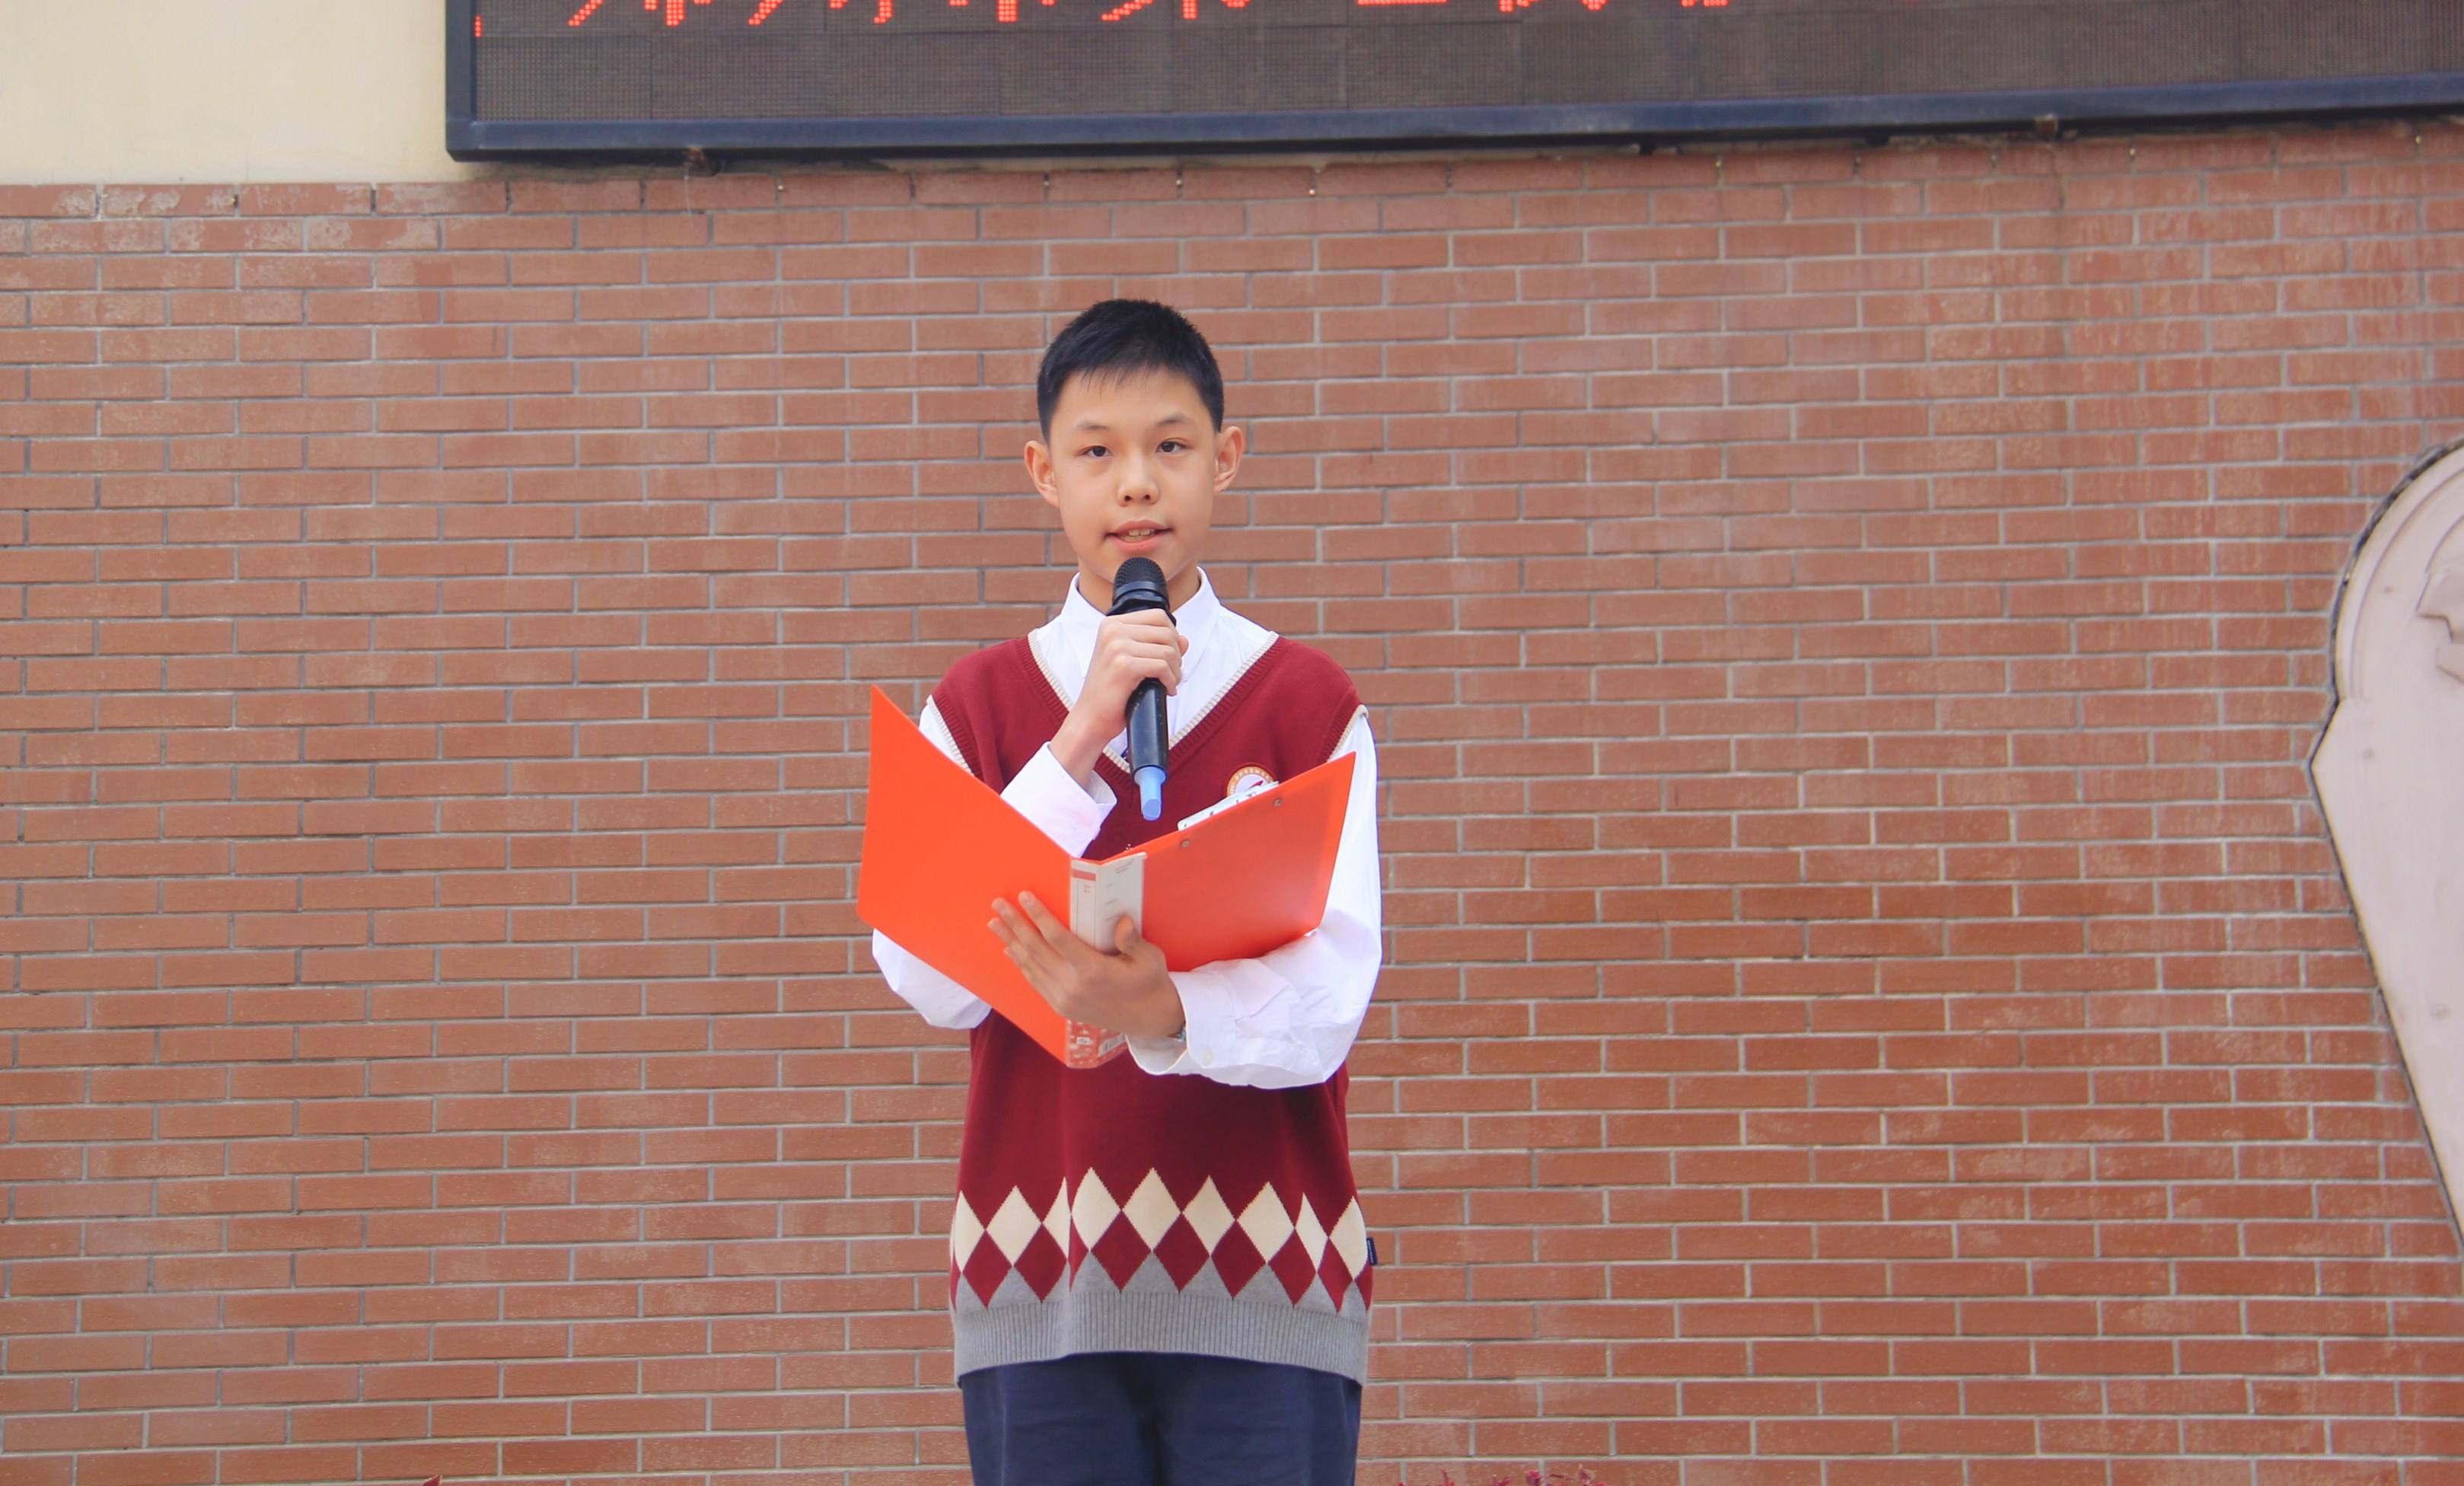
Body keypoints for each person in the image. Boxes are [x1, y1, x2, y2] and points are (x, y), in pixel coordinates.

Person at [868, 298, 1384, 1486]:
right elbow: (926, 977)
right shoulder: (975, 709)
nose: (1136, 482)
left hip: (1269, 1277)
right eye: (1097, 451)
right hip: (1039, 1276)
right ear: (1044, 472)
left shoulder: (1308, 705)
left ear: (1225, 459)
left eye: (1171, 445)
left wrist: (1157, 1011)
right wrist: (1077, 740)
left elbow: (1330, 999)